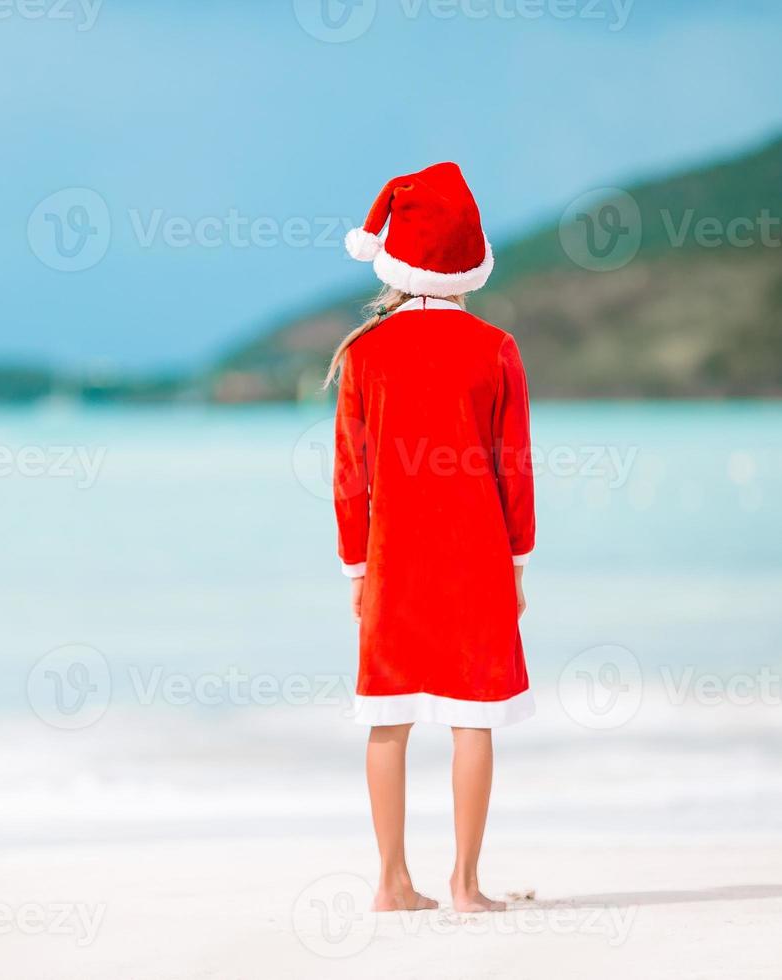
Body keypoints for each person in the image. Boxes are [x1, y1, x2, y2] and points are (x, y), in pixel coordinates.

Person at [327, 162, 536, 913]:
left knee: (388, 717)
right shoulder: (496, 348)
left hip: (392, 563)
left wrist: (356, 566)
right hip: (477, 558)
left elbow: (351, 477)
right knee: (472, 719)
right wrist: (517, 559)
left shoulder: (364, 353)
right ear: (469, 261)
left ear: (395, 260)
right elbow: (515, 467)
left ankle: (390, 884)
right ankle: (466, 884)